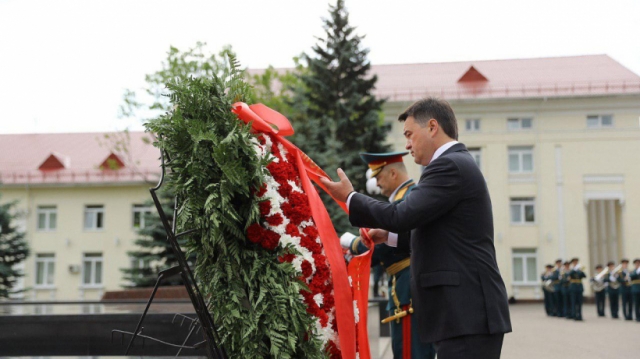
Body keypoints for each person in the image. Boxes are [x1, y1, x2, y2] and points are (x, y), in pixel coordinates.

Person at [321, 97, 512, 359]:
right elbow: (437, 235)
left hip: (466, 314)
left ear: (432, 127)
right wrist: (388, 236)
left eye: (410, 135)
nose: (407, 145)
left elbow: (402, 215)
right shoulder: (453, 164)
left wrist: (350, 198)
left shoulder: (449, 165)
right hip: (462, 314)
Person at [340, 151, 435, 359]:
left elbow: (383, 245)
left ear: (393, 173)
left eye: (378, 176)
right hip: (402, 286)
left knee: (412, 352)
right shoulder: (402, 200)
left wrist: (352, 245)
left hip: (409, 289)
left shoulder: (408, 199)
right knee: (404, 349)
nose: (376, 183)